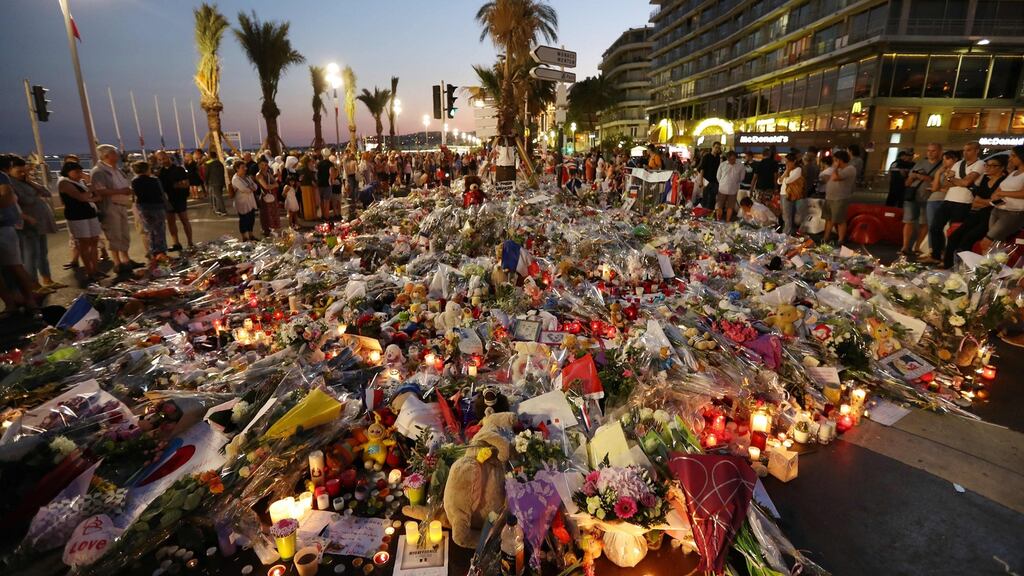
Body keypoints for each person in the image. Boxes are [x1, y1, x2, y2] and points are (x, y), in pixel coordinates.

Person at [6, 155, 62, 293]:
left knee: (42, 253)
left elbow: (46, 192)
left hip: (39, 223)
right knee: (31, 255)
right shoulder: (11, 184)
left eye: (24, 171)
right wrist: (35, 194)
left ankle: (47, 279)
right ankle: (33, 285)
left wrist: (30, 182)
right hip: (27, 225)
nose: (23, 174)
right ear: (9, 170)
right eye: (19, 171)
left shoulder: (26, 181)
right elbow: (26, 200)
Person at [942, 154, 1008, 268]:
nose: (987, 168)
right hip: (977, 213)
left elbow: (997, 201)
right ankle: (948, 266)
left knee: (968, 239)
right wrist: (988, 202)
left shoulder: (1003, 181)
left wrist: (987, 202)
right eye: (987, 165)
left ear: (1001, 168)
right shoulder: (985, 180)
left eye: (993, 166)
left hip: (991, 216)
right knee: (954, 236)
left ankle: (965, 268)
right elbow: (976, 201)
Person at [925, 142, 983, 264]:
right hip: (948, 200)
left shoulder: (980, 164)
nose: (965, 153)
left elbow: (966, 182)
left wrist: (953, 179)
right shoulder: (958, 163)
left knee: (954, 232)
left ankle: (949, 260)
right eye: (964, 150)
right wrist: (955, 180)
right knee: (935, 227)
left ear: (977, 151)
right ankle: (936, 254)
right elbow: (946, 184)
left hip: (964, 202)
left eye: (969, 150)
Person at [90, 144, 139, 273]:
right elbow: (100, 191)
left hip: (121, 204)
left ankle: (126, 259)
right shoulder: (99, 171)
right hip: (110, 206)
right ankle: (117, 263)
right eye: (114, 153)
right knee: (114, 234)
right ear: (106, 156)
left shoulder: (116, 169)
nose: (117, 156)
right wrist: (121, 191)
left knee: (124, 234)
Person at [58, 162, 102, 282]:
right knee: (84, 242)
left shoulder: (80, 182)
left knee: (94, 240)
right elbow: (81, 197)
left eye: (80, 172)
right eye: (76, 172)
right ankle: (89, 271)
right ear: (68, 172)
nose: (79, 174)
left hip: (90, 213)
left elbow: (98, 197)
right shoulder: (64, 182)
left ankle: (96, 270)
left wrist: (89, 187)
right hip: (77, 216)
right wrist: (89, 189)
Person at [900, 143, 942, 257]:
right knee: (909, 221)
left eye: (933, 151)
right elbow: (908, 180)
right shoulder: (920, 163)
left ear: (939, 152)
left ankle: (917, 246)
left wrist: (921, 177)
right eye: (928, 150)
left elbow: (938, 181)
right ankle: (905, 246)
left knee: (925, 223)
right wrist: (912, 177)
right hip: (913, 195)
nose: (930, 153)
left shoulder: (941, 165)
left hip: (929, 197)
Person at [983, 145, 1024, 248]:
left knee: (987, 241)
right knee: (995, 244)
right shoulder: (1013, 173)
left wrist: (1002, 193)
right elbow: (1000, 188)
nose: (1010, 158)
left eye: (1013, 156)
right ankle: (992, 263)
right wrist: (995, 195)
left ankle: (987, 263)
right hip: (998, 209)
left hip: (1013, 213)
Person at [130, 161, 168, 262]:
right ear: (147, 169)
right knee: (160, 230)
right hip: (157, 206)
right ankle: (161, 252)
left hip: (143, 207)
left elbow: (135, 196)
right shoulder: (154, 180)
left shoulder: (134, 181)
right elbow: (161, 193)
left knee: (149, 231)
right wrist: (167, 205)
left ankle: (153, 252)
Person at [156, 150, 194, 251]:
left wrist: (175, 185)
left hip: (180, 198)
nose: (162, 161)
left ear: (168, 157)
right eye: (159, 160)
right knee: (171, 222)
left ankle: (190, 242)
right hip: (168, 200)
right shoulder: (160, 172)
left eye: (163, 158)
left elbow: (186, 183)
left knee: (184, 220)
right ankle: (176, 243)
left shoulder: (179, 169)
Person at [822, 150, 856, 245]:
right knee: (828, 219)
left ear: (840, 160)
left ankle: (841, 240)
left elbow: (835, 178)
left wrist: (835, 168)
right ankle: (826, 238)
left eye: (835, 160)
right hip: (830, 197)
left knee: (840, 220)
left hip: (840, 198)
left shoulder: (850, 169)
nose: (834, 162)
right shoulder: (837, 169)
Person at [230, 161, 258, 241]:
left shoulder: (247, 177)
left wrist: (251, 188)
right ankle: (244, 237)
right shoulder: (235, 179)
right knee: (244, 219)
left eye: (245, 167)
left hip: (250, 200)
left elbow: (255, 186)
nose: (245, 169)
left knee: (251, 218)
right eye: (243, 167)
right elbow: (244, 189)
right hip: (242, 202)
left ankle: (251, 235)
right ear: (237, 169)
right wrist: (251, 188)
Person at [778, 152, 805, 235]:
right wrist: (786, 172)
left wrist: (786, 174)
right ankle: (790, 232)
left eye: (787, 161)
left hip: (789, 194)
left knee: (787, 216)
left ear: (793, 161)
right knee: (785, 215)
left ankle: (786, 234)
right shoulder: (787, 169)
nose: (786, 163)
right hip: (783, 193)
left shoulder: (798, 169)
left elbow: (788, 180)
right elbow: (779, 181)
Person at [715, 151, 744, 221]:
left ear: (735, 158)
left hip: (733, 190)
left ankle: (727, 221)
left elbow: (742, 178)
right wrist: (722, 183)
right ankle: (718, 220)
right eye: (730, 159)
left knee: (730, 206)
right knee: (720, 206)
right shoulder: (722, 164)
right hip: (722, 189)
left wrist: (734, 182)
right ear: (727, 158)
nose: (732, 161)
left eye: (733, 159)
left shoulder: (740, 166)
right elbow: (718, 176)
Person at [255, 158, 281, 234]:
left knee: (274, 212)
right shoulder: (259, 175)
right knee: (266, 213)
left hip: (272, 195)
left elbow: (276, 184)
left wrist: (272, 185)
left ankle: (273, 228)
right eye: (262, 165)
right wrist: (273, 185)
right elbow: (266, 186)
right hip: (265, 196)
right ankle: (266, 229)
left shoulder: (268, 173)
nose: (264, 167)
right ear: (259, 165)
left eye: (265, 165)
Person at [699, 142, 722, 210]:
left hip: (715, 181)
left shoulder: (718, 157)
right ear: (712, 147)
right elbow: (702, 169)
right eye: (716, 147)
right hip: (706, 181)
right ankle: (704, 213)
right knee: (706, 198)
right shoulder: (706, 156)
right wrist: (701, 181)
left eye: (718, 148)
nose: (717, 149)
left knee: (713, 199)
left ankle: (710, 214)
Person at [205, 150, 227, 216]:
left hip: (213, 182)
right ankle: (220, 209)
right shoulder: (220, 163)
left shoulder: (209, 164)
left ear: (210, 156)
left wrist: (206, 182)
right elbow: (223, 173)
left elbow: (207, 174)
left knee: (217, 197)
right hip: (220, 182)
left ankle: (222, 210)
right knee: (219, 196)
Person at [315, 148, 334, 220]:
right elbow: (332, 174)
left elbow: (316, 174)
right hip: (327, 184)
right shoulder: (330, 164)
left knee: (322, 201)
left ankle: (323, 215)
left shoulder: (319, 164)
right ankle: (327, 216)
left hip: (320, 184)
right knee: (327, 201)